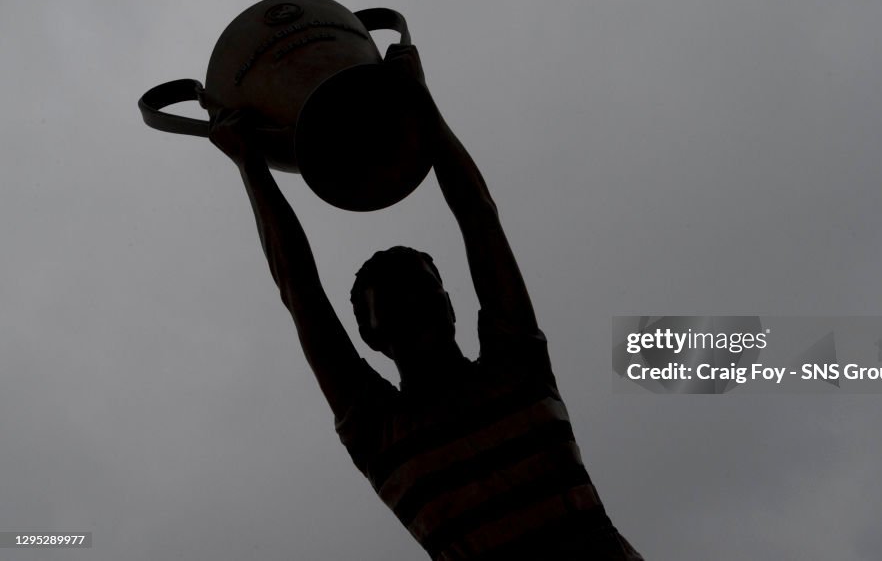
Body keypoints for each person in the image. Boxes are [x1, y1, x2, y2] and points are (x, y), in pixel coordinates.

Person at [208, 46, 643, 560]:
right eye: (393, 299)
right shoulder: (378, 429)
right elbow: (300, 292)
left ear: (450, 305)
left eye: (423, 287)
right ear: (370, 336)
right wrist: (250, 167)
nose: (414, 300)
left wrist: (419, 98)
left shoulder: (516, 366)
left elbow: (479, 216)